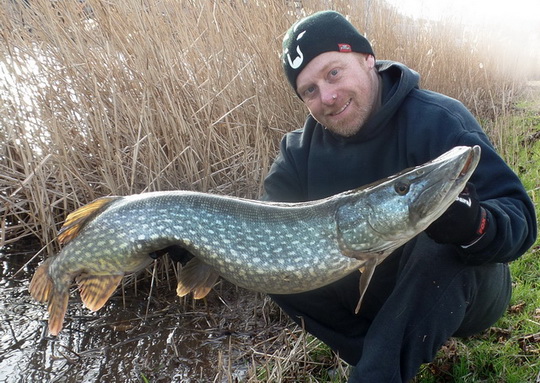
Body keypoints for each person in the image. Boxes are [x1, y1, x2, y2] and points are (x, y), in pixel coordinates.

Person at [263, 10, 537, 382]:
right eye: (309, 90)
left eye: (333, 72)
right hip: (373, 299)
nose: (327, 96)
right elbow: (264, 222)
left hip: (465, 292)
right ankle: (378, 353)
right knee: (271, 267)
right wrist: (198, 244)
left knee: (437, 240)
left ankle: (376, 372)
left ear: (366, 59)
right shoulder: (298, 152)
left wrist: (475, 225)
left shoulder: (438, 119)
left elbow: (520, 218)